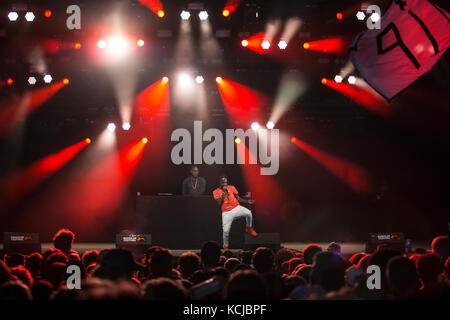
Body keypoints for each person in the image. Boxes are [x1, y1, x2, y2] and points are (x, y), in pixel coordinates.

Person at [212, 175, 257, 253]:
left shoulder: (231, 187)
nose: (224, 184)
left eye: (225, 182)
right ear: (220, 183)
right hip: (226, 212)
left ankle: (249, 228)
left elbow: (238, 198)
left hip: (236, 208)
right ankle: (225, 247)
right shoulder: (216, 191)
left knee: (248, 213)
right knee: (225, 231)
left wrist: (247, 201)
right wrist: (223, 196)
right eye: (223, 182)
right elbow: (219, 203)